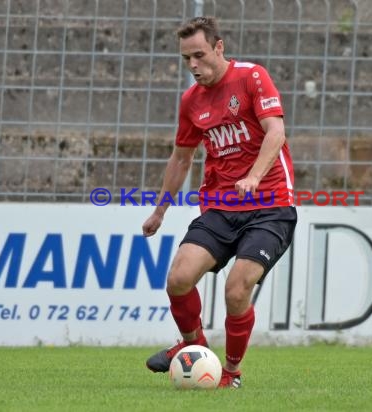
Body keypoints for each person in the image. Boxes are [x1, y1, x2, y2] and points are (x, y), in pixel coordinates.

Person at [142, 16, 297, 389]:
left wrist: (255, 176)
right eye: (186, 59)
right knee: (178, 279)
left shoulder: (251, 77)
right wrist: (160, 209)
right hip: (220, 206)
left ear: (219, 47)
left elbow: (275, 131)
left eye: (199, 55)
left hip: (270, 205)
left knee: (236, 288)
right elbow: (181, 158)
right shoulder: (191, 101)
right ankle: (194, 346)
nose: (193, 66)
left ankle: (231, 371)